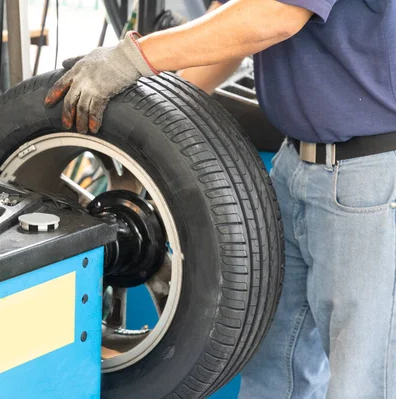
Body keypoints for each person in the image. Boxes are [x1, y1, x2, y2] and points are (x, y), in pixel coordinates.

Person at [44, 0, 396, 398]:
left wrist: (132, 59)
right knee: (272, 365)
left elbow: (271, 17)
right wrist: (152, 120)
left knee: (364, 379)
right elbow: (233, 27)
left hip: (369, 175)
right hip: (295, 163)